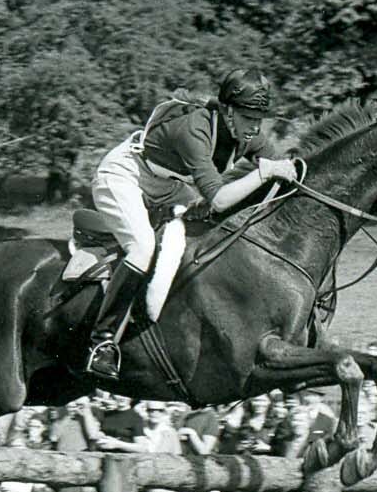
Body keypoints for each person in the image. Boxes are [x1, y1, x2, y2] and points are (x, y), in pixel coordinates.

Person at [86, 71, 297, 378]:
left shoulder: (247, 134)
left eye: (259, 118)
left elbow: (280, 167)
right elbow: (221, 199)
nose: (255, 126)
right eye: (248, 117)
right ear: (227, 112)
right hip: (125, 176)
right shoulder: (195, 129)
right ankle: (102, 343)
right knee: (142, 248)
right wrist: (265, 173)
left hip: (168, 185)